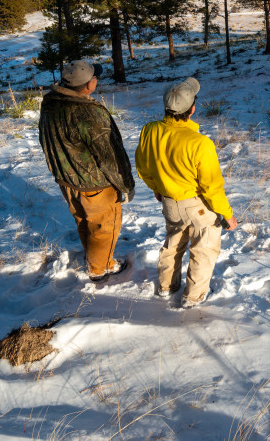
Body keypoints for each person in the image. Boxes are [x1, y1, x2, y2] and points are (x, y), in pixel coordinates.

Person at [135, 77, 238, 308]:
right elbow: (212, 187)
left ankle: (165, 287)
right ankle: (193, 297)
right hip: (198, 207)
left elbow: (143, 167)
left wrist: (158, 189)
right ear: (192, 109)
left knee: (173, 244)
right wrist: (227, 214)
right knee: (203, 250)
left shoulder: (149, 130)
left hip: (169, 203)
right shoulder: (200, 143)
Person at [38, 60, 135, 281]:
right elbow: (110, 155)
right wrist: (126, 185)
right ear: (89, 84)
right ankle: (100, 269)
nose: (96, 80)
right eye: (94, 77)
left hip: (67, 179)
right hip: (95, 183)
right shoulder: (89, 112)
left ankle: (94, 258)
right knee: (104, 227)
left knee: (83, 220)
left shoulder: (50, 102)